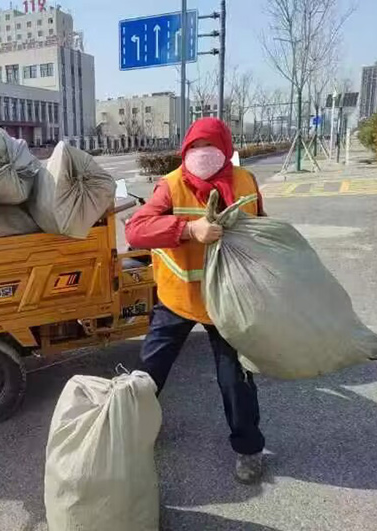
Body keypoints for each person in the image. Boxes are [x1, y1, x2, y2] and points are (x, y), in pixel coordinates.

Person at [125, 117, 267, 485]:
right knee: (148, 374)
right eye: (195, 147)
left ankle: (249, 449)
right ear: (185, 149)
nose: (202, 154)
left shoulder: (246, 183)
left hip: (227, 300)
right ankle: (130, 433)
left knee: (235, 380)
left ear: (226, 149)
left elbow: (261, 228)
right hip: (179, 296)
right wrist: (189, 229)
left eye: (211, 146)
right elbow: (135, 231)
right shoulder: (171, 185)